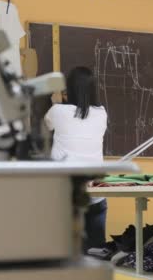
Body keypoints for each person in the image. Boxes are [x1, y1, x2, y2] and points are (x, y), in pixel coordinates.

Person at [44, 66, 108, 250]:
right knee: (96, 254)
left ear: (68, 90)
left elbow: (45, 126)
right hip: (94, 195)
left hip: (64, 195)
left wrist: (56, 102)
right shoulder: (102, 113)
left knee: (62, 254)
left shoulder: (57, 111)